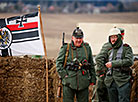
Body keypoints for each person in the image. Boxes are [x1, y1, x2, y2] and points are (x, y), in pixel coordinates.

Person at [56, 27, 96, 102]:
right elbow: (58, 64)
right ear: (72, 38)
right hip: (69, 82)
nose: (78, 40)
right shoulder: (66, 48)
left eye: (80, 38)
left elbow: (91, 64)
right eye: (76, 38)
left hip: (83, 82)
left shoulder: (87, 48)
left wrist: (93, 78)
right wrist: (64, 75)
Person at [94, 27, 125, 102]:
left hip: (111, 76)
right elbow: (98, 58)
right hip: (104, 75)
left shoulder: (121, 47)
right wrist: (103, 71)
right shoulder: (108, 45)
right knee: (100, 96)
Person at [104, 27, 133, 102]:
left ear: (119, 37)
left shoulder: (126, 48)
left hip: (122, 81)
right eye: (111, 37)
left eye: (115, 37)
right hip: (110, 82)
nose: (113, 39)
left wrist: (113, 64)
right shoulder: (110, 51)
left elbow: (129, 61)